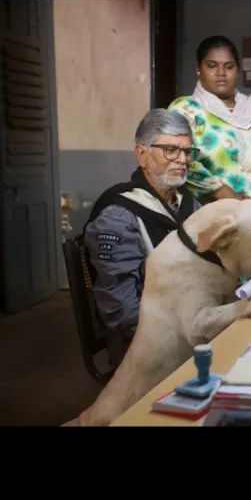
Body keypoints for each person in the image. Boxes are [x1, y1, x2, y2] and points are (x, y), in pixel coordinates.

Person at [82, 108, 203, 366]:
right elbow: (122, 311)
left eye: (187, 151)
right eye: (170, 150)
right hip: (144, 342)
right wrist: (188, 332)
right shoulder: (118, 218)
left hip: (193, 321)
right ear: (142, 155)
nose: (182, 160)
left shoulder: (190, 205)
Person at [168, 35, 251, 206]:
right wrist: (226, 195)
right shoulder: (185, 109)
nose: (221, 73)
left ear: (238, 71)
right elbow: (178, 160)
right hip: (205, 213)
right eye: (212, 66)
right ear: (198, 69)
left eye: (229, 66)